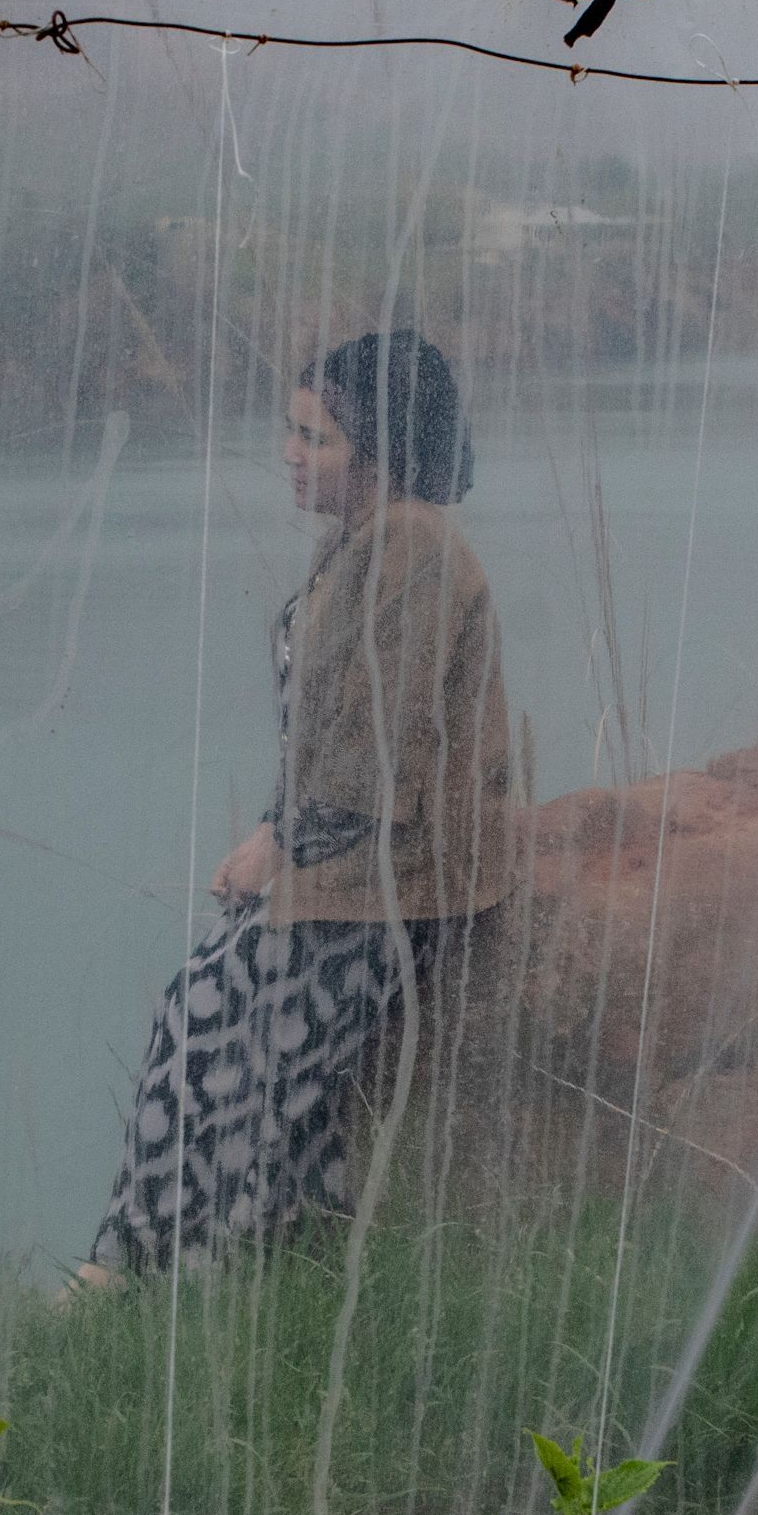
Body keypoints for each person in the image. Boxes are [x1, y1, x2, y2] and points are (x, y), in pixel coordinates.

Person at [77, 330, 517, 1280]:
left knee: (203, 1016)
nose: (288, 453)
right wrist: (274, 832)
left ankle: (129, 1269)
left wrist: (284, 850)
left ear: (378, 451)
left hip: (402, 875)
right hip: (353, 857)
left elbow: (378, 749)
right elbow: (324, 732)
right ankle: (289, 1251)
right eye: (291, 431)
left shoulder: (414, 548)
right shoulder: (364, 542)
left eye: (313, 438)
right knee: (223, 1026)